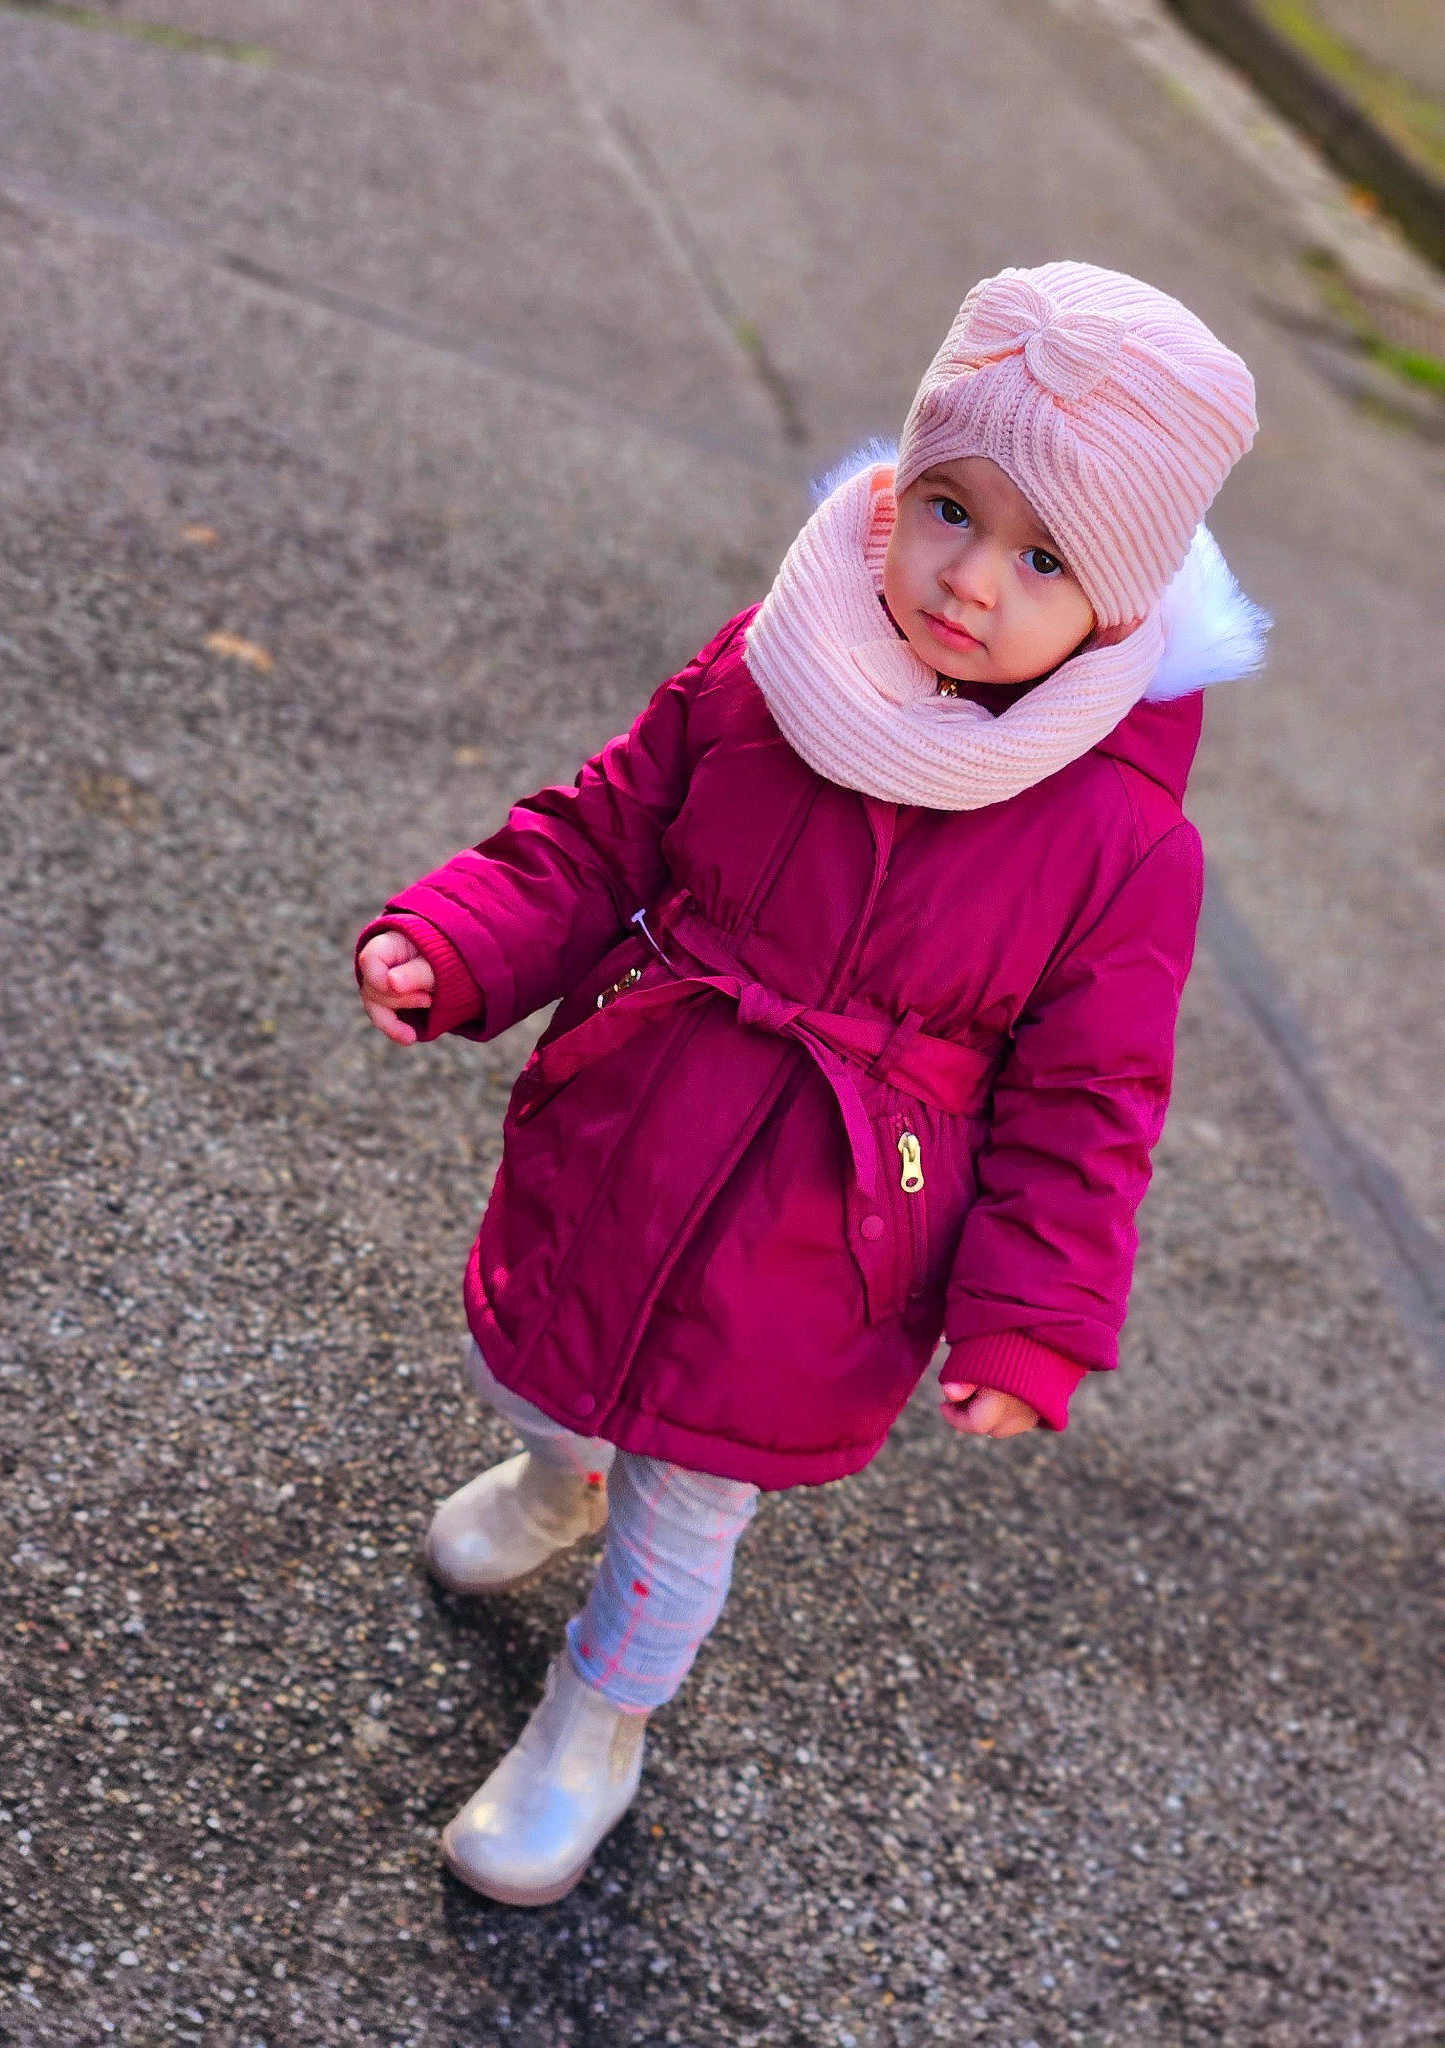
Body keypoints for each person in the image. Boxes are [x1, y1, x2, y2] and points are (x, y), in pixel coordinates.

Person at [354, 262, 1265, 1907]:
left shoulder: (1125, 841)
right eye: (947, 510)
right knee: (549, 1364)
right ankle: (556, 1475)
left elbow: (1087, 1104)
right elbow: (608, 826)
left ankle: (596, 1724)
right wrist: (465, 935)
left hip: (829, 1225)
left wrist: (1031, 1314)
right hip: (639, 1115)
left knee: (689, 1496)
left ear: (1123, 602)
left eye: (1044, 556)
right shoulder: (782, 655)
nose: (971, 580)